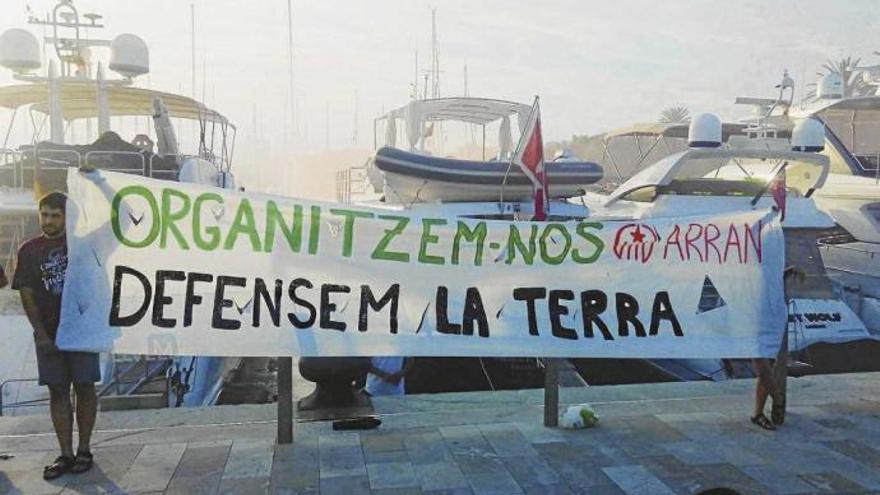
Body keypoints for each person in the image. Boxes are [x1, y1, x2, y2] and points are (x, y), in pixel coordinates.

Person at [13, 191, 100, 479]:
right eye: (44, 215)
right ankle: (65, 452)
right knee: (57, 390)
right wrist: (40, 333)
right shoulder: (28, 250)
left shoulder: (82, 245)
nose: (48, 221)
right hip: (49, 332)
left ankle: (84, 449)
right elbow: (27, 294)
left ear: (66, 218)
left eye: (55, 215)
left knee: (85, 387)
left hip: (81, 330)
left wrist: (97, 184)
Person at [751, 264, 804, 430]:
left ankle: (758, 413)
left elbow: (769, 277)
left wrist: (787, 273)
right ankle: (778, 399)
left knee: (766, 364)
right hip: (749, 316)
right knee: (761, 363)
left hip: (767, 315)